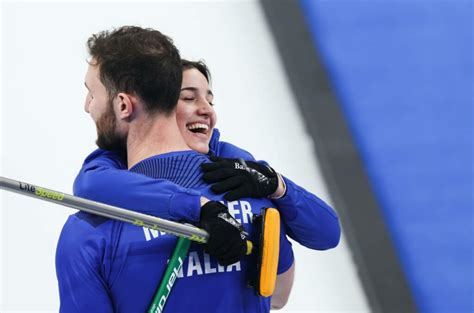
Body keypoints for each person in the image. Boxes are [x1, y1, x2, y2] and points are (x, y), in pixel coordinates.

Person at [56, 26, 295, 313]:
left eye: (91, 93)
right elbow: (278, 294)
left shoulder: (86, 232)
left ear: (123, 105)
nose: (87, 107)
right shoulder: (248, 194)